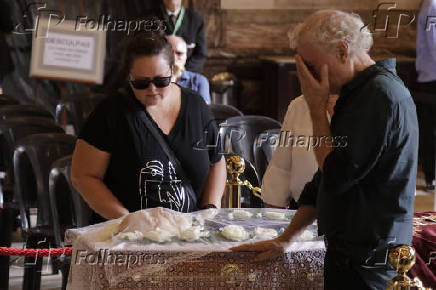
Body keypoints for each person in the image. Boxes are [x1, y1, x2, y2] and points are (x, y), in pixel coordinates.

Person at [232, 10, 418, 290]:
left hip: (370, 257)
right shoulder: (360, 93)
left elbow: (336, 174)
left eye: (311, 65)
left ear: (343, 51)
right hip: (349, 252)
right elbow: (324, 179)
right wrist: (287, 238)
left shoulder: (379, 96)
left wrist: (317, 110)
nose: (305, 76)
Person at [71, 33, 226, 224]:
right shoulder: (110, 112)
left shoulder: (196, 106)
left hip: (190, 233)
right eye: (141, 83)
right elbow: (83, 175)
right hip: (128, 237)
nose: (152, 89)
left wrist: (210, 208)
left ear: (173, 71)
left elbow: (217, 161)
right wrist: (126, 219)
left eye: (161, 81)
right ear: (128, 77)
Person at [261, 94, 338, 208]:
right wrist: (274, 215)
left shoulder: (366, 105)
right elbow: (281, 167)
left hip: (354, 212)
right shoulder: (299, 106)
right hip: (304, 208)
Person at [415, 0, 436, 190]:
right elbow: (434, 44)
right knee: (430, 130)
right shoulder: (432, 6)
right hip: (432, 78)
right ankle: (432, 175)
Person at [158, 0, 207, 72]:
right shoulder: (148, 19)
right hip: (159, 75)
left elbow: (200, 54)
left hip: (186, 75)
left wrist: (183, 73)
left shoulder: (196, 19)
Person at [167, 35, 211, 104]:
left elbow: (204, 111)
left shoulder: (199, 81)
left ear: (186, 57)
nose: (174, 58)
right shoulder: (154, 79)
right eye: (170, 52)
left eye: (179, 53)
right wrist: (172, 77)